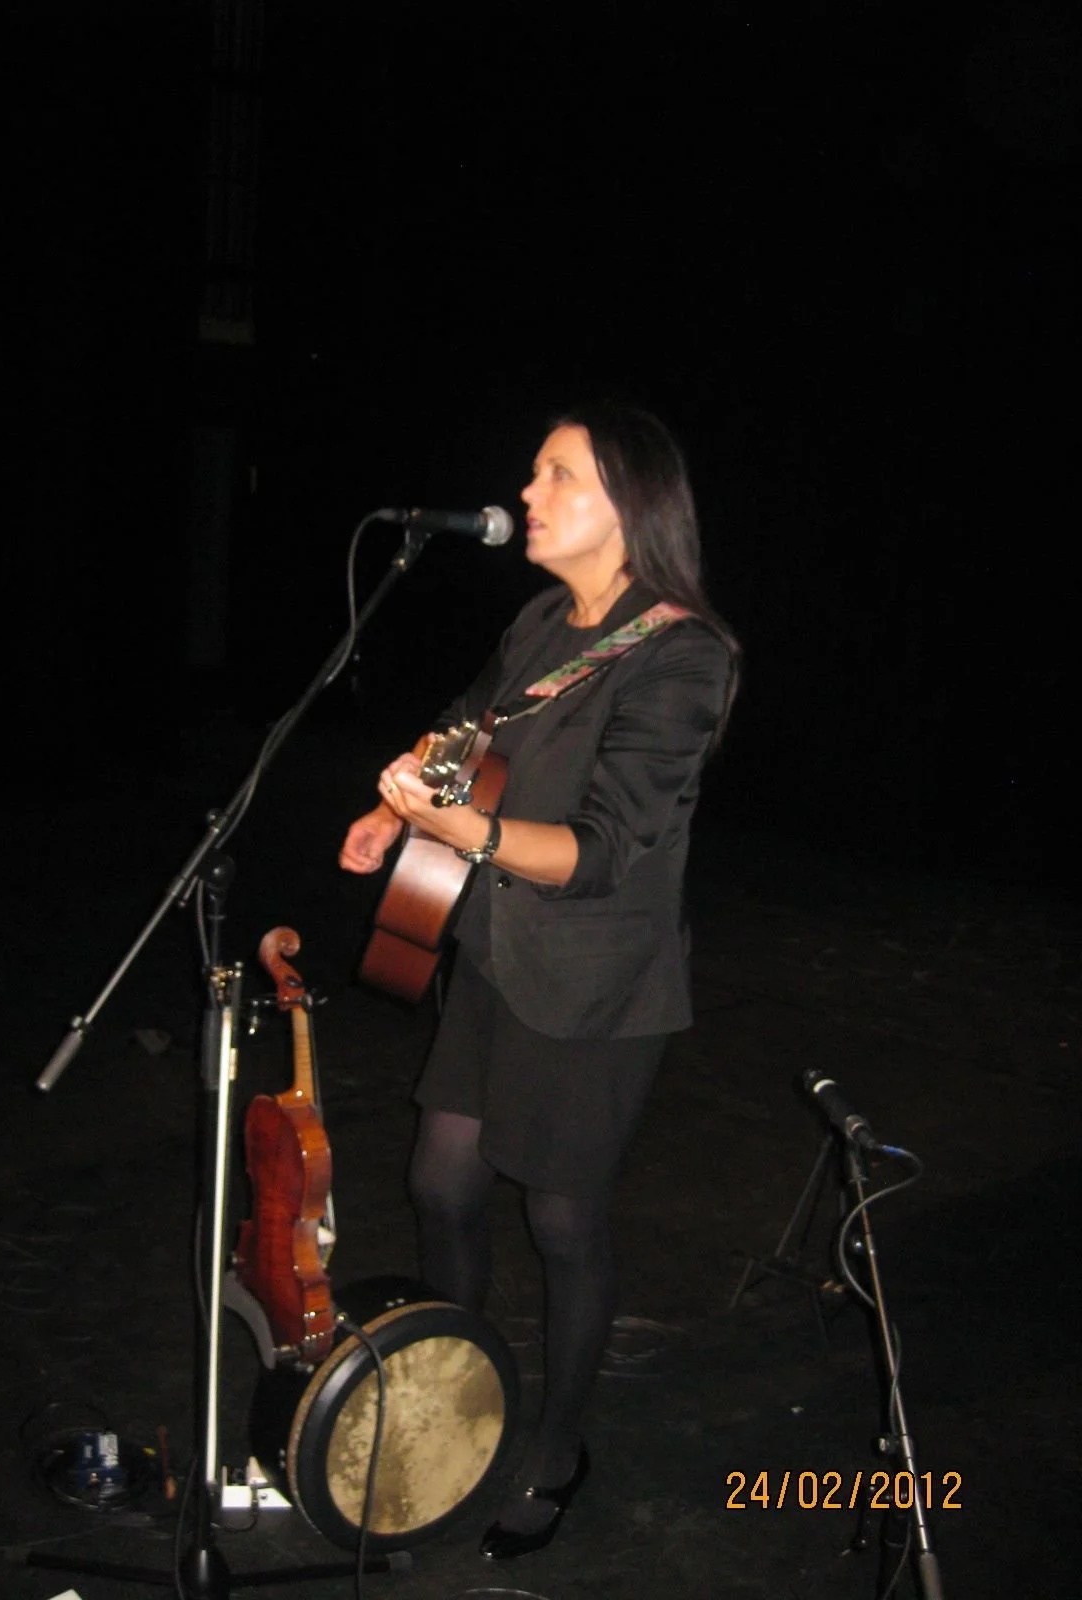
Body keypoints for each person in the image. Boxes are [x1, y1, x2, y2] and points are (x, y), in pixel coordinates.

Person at [339, 400, 739, 1560]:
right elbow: (466, 730)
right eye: (534, 472)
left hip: (600, 985)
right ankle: (461, 1398)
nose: (527, 490)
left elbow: (605, 849)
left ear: (627, 507)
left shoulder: (684, 654)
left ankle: (558, 1446)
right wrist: (389, 807)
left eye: (555, 474)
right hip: (498, 952)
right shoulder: (538, 622)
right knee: (442, 1179)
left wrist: (462, 833)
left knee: (563, 1219)